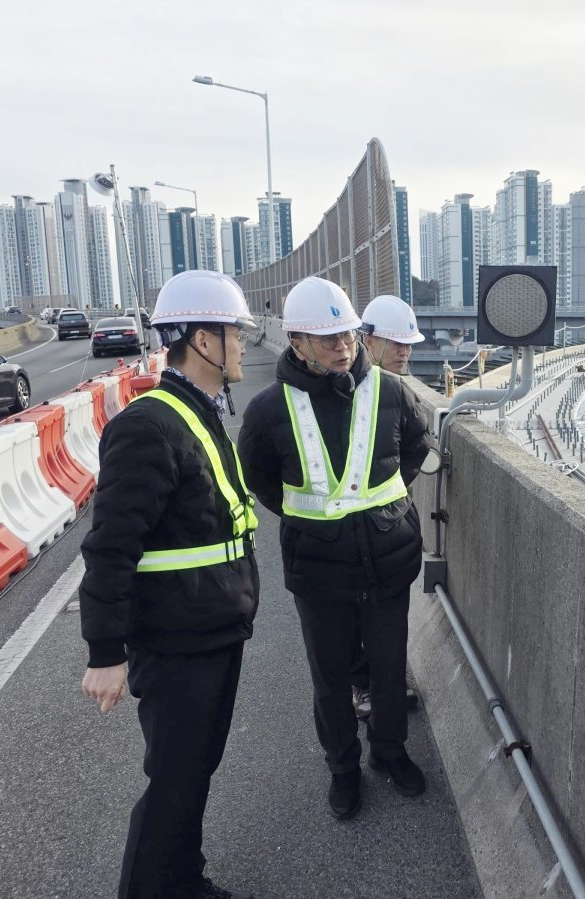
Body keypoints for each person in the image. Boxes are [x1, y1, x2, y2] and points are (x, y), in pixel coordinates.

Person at [80, 269, 261, 899]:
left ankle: (184, 880)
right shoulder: (149, 426)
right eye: (234, 331)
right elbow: (109, 549)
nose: (242, 343)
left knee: (195, 775)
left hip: (211, 629)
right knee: (173, 783)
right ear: (203, 340)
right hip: (176, 642)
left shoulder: (197, 414)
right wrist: (105, 653)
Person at [238, 277, 431, 821]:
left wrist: (385, 512)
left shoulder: (392, 393)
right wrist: (318, 522)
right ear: (298, 343)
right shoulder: (270, 409)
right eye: (328, 340)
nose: (343, 348)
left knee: (389, 671)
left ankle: (389, 754)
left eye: (347, 335)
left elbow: (415, 449)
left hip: (388, 561)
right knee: (331, 681)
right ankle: (343, 770)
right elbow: (260, 479)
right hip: (320, 571)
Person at [349, 294, 427, 719]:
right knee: (350, 622)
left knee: (385, 618)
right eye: (397, 343)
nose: (405, 352)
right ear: (368, 339)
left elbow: (419, 443)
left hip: (383, 530)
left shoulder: (395, 392)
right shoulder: (339, 387)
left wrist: (391, 488)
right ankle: (362, 685)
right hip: (339, 534)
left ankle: (385, 689)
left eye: (409, 344)